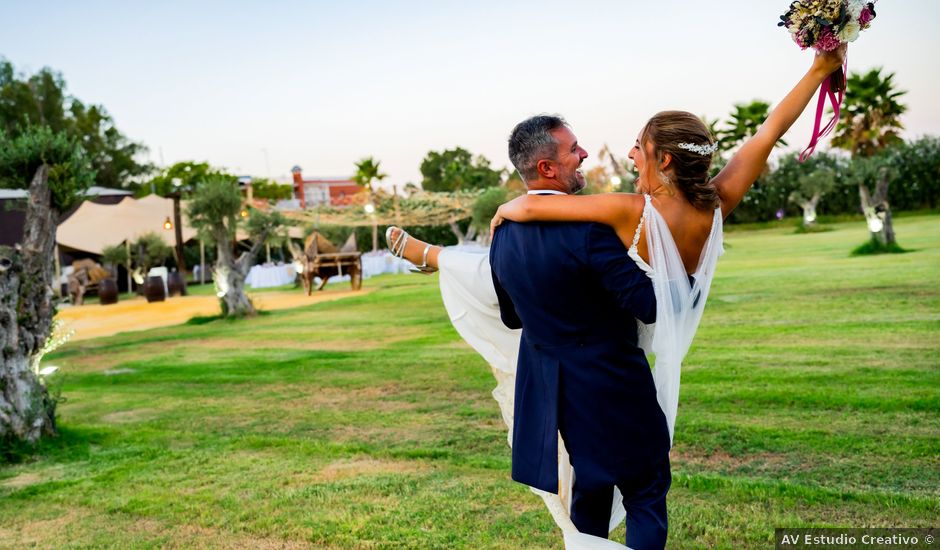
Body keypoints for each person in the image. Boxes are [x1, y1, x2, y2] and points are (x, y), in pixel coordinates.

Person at [385, 46, 846, 549]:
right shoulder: (719, 204)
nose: (627, 154)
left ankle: (431, 255)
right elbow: (768, 131)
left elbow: (546, 213)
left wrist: (510, 209)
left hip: (605, 358)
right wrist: (820, 70)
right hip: (648, 348)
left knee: (601, 488)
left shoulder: (632, 210)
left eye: (637, 146)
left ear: (663, 159)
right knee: (646, 486)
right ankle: (431, 256)